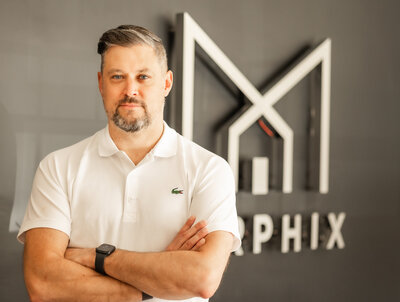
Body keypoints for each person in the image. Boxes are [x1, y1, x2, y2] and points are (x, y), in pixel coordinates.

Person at [17, 25, 240, 302]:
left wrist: (98, 258)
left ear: (166, 83)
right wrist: (155, 282)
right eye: (117, 76)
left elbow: (202, 278)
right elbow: (43, 282)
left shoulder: (209, 170)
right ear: (101, 83)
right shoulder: (58, 167)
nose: (130, 90)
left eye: (143, 77)